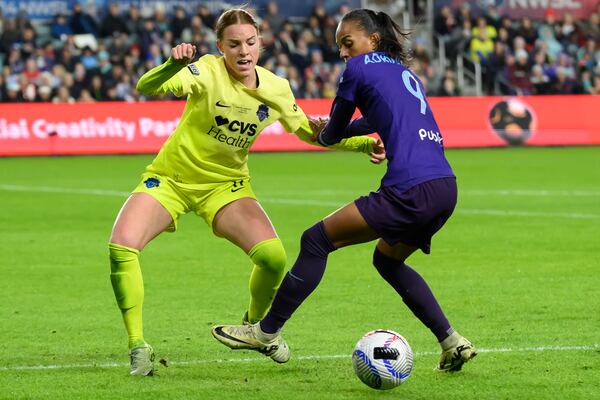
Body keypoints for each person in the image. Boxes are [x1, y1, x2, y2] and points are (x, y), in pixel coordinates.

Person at [108, 8, 383, 376]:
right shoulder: (204, 69)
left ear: (261, 44)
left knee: (273, 257)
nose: (243, 51)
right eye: (234, 44)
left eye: (250, 43)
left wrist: (365, 144)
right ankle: (137, 346)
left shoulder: (275, 88)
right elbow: (147, 86)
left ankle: (254, 328)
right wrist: (173, 65)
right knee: (122, 246)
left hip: (226, 186)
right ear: (220, 46)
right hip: (171, 179)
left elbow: (310, 130)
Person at [212, 8, 477, 372]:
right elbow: (381, 118)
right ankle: (452, 342)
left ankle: (266, 332)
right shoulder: (402, 73)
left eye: (347, 42)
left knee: (316, 240)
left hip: (409, 189)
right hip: (445, 187)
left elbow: (332, 132)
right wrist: (350, 130)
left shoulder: (358, 68)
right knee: (388, 261)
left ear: (373, 40)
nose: (343, 52)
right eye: (339, 46)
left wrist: (322, 131)